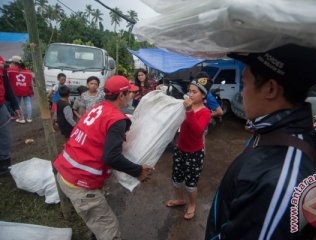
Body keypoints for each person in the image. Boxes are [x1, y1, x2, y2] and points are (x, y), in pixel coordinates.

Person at [205, 44, 316, 239]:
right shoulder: (277, 132)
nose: (242, 93)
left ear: (270, 88)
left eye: (245, 83)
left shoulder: (280, 185)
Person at [53, 75, 154, 240]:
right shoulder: (117, 119)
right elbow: (111, 157)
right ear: (121, 96)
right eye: (129, 93)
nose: (132, 96)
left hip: (64, 171)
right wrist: (138, 171)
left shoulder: (98, 107)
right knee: (110, 232)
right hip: (80, 183)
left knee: (97, 222)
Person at [166, 76, 212, 220]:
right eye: (189, 91)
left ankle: (192, 204)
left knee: (191, 183)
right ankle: (180, 199)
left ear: (203, 95)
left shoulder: (205, 112)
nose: (190, 94)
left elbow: (198, 132)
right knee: (177, 178)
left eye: (194, 92)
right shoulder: (185, 105)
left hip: (195, 153)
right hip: (180, 149)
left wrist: (189, 111)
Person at [0, 55, 21, 176]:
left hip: (1, 106)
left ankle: (4, 164)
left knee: (5, 136)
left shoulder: (1, 63)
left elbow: (7, 86)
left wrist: (15, 106)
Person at [7, 56, 33, 123]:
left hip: (16, 91)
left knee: (18, 104)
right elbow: (31, 82)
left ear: (14, 63)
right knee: (28, 103)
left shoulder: (10, 70)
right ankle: (29, 118)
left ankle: (22, 118)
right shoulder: (28, 71)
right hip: (26, 90)